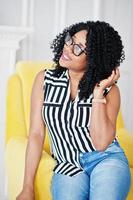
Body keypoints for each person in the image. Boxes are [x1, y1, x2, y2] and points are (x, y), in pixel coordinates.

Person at [16, 21, 131, 200]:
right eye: (70, 40)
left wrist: (98, 92)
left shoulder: (109, 91)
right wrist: (27, 187)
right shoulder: (44, 80)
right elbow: (36, 134)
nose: (67, 48)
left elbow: (101, 144)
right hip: (67, 166)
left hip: (106, 160)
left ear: (94, 58)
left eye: (78, 48)